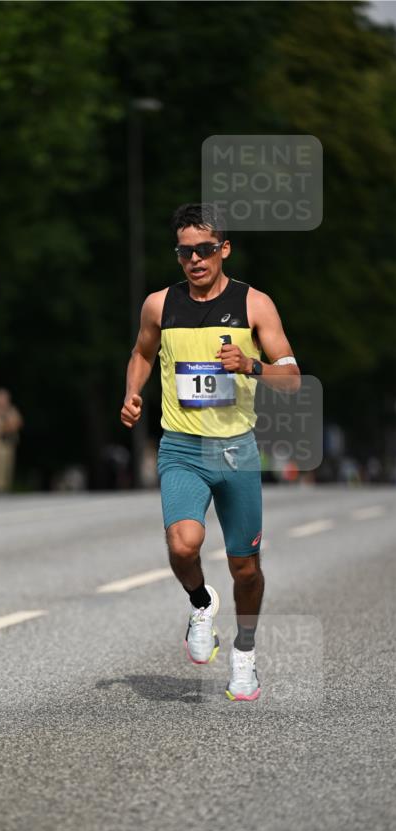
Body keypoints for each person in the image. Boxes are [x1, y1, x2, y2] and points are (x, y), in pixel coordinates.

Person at [120, 203, 301, 701]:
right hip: (181, 446)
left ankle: (244, 655)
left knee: (245, 566)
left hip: (236, 450)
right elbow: (141, 352)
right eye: (185, 252)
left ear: (224, 249)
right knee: (183, 544)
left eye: (204, 249)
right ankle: (202, 605)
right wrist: (133, 393)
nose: (195, 260)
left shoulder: (254, 305)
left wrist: (250, 365)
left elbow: (292, 378)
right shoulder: (160, 304)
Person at [0, 388, 23, 493]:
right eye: (2, 398)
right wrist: (11, 424)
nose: (4, 400)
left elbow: (19, 422)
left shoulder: (11, 409)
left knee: (8, 465)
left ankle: (6, 486)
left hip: (10, 441)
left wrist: (10, 424)